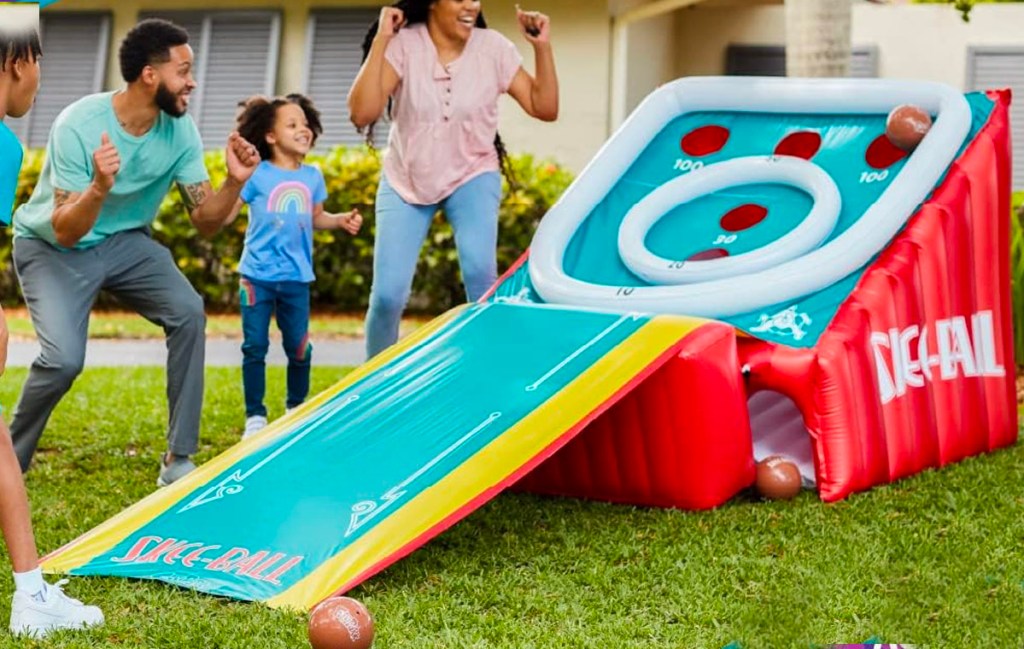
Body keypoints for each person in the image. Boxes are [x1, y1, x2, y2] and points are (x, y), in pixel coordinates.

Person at [10, 19, 259, 485]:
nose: (193, 81)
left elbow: (205, 220)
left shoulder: (179, 131)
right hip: (51, 248)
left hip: (126, 244)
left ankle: (178, 459)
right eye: (184, 70)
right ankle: (10, 458)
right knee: (63, 360)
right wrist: (100, 188)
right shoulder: (79, 124)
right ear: (150, 75)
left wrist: (233, 182)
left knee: (188, 312)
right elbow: (65, 230)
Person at [348, 0, 558, 358]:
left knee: (481, 277)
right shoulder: (406, 44)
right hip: (405, 180)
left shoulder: (493, 48)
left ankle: (490, 369)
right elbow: (361, 112)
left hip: (472, 174)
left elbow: (545, 107)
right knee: (387, 296)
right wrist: (383, 38)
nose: (471, 5)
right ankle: (371, 383)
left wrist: (541, 46)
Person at [0, 10, 105, 637]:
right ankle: (31, 594)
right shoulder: (4, 146)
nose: (41, 76)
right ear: (15, 62)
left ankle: (33, 591)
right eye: (38, 59)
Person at [229, 94, 363, 437]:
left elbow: (316, 217)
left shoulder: (313, 176)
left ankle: (296, 408)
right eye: (292, 125)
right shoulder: (256, 175)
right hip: (255, 278)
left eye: (305, 124)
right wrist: (226, 187)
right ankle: (255, 417)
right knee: (254, 346)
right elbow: (227, 211)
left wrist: (340, 221)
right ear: (270, 136)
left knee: (299, 348)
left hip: (296, 279)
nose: (302, 130)